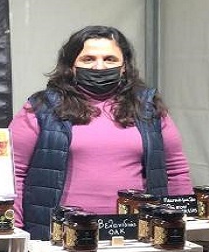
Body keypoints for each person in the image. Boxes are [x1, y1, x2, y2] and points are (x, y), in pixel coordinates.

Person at [10, 25, 193, 239]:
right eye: (88, 59)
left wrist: (183, 226)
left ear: (124, 66)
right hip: (59, 238)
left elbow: (176, 171)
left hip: (138, 237)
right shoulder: (41, 108)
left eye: (109, 59)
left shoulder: (148, 108)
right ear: (71, 65)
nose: (99, 67)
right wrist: (14, 231)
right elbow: (14, 173)